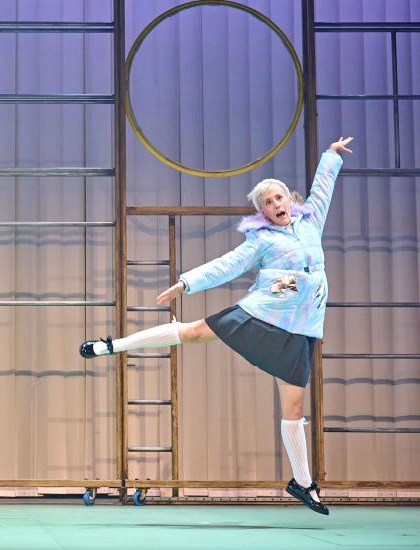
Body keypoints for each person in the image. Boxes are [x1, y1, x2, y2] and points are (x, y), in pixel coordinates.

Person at [80, 137, 355, 516]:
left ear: (289, 201)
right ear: (261, 213)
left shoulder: (310, 222)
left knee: (293, 408)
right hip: (269, 306)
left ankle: (303, 483)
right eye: (267, 204)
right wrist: (186, 282)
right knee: (193, 332)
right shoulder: (261, 240)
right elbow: (228, 264)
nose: (276, 206)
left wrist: (330, 156)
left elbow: (322, 190)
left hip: (304, 322)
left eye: (279, 199)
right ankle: (111, 345)